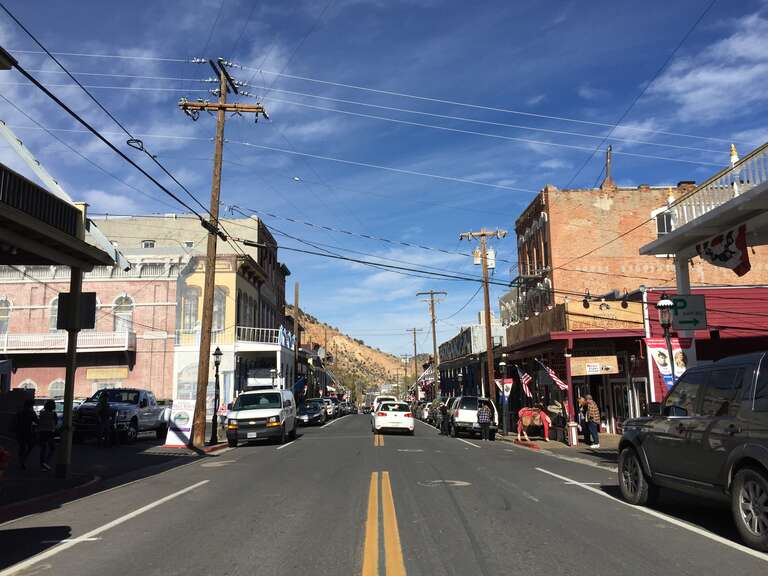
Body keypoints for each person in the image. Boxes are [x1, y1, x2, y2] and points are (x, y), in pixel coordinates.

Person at [14, 399, 38, 470]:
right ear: (31, 405)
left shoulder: (19, 412)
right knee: (30, 445)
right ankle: (22, 461)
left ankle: (20, 461)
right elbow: (36, 421)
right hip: (27, 431)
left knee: (22, 447)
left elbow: (16, 421)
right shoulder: (31, 412)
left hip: (19, 431)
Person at [37, 400, 57, 471]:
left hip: (42, 432)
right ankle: (45, 462)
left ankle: (42, 464)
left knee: (43, 448)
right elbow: (55, 423)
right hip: (50, 432)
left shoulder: (41, 413)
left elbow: (39, 422)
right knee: (52, 448)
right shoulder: (53, 413)